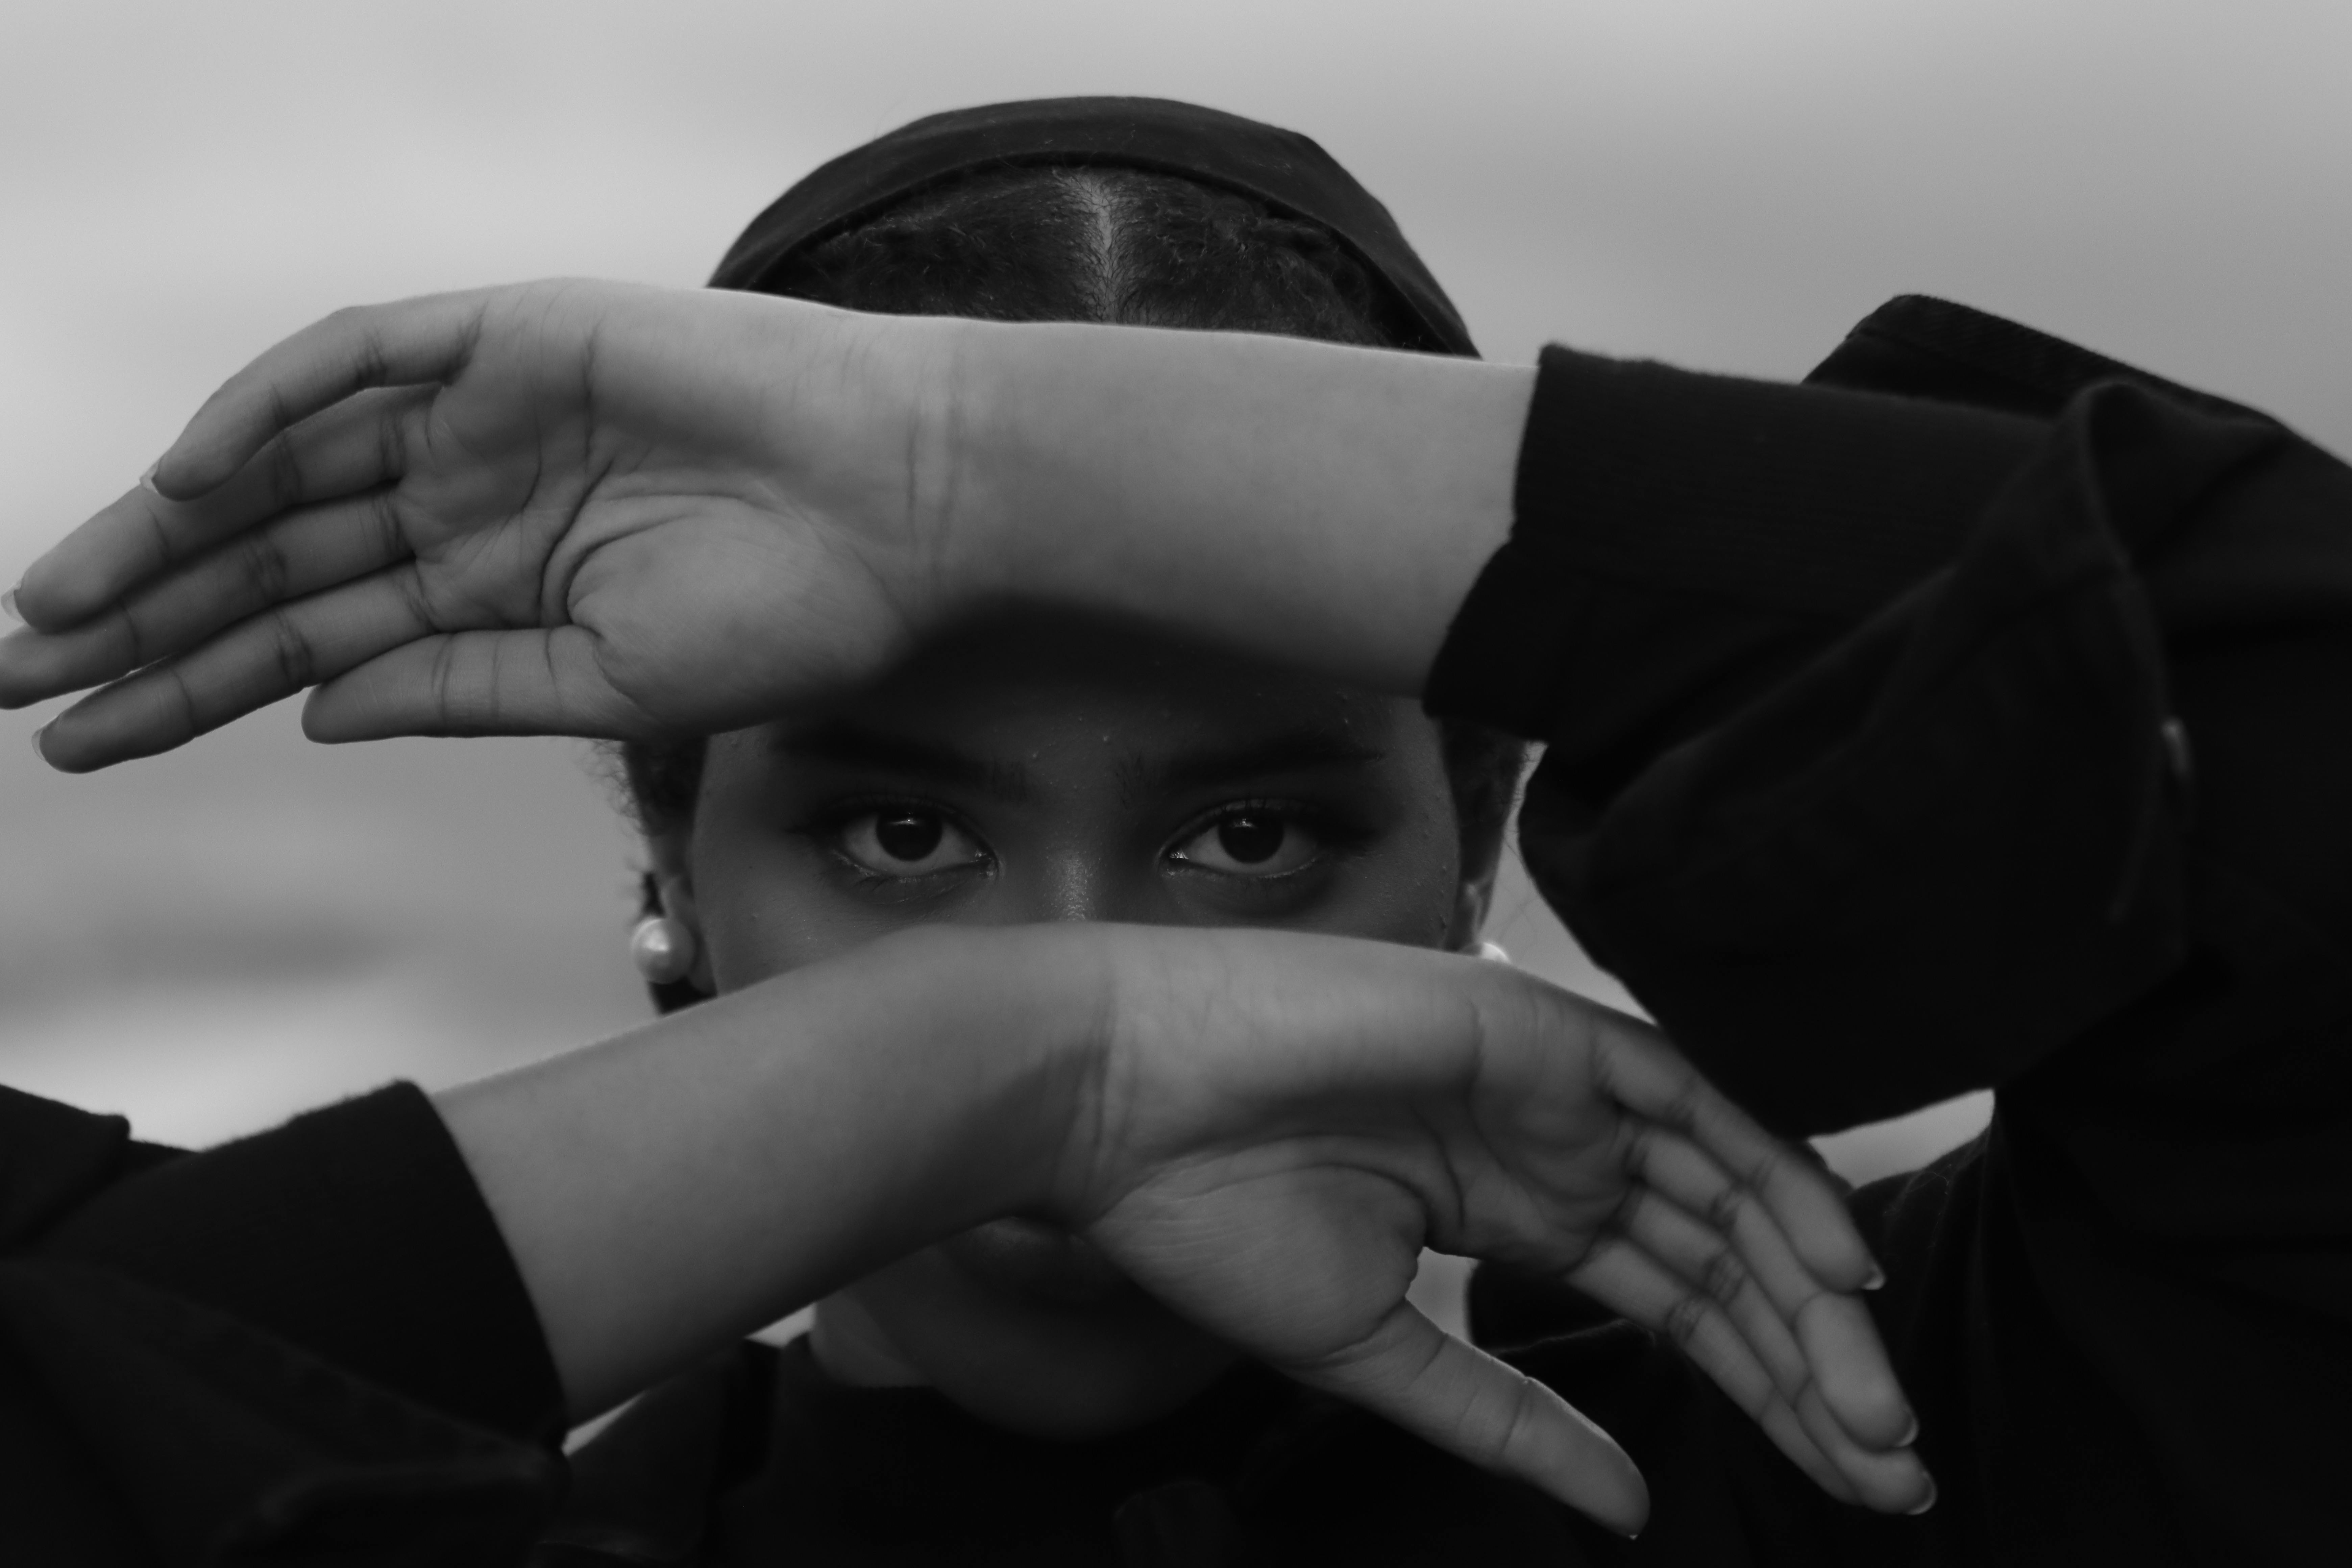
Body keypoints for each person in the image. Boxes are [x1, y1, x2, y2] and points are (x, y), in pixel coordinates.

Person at [0, 101, 1920, 1567]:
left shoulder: (1901, 1459)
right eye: (905, 835)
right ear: (673, 857)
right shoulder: (360, 1518)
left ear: (1473, 833)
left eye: (1250, 836)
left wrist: (972, 470)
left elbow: (2216, 697)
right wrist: (1034, 1071)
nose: (1086, 974)